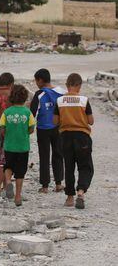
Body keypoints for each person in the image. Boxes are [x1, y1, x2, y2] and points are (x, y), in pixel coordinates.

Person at [53, 73, 94, 209]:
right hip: (82, 137)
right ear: (79, 86)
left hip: (65, 137)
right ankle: (81, 192)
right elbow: (91, 121)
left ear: (67, 85)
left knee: (69, 166)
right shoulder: (84, 100)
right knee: (85, 166)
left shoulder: (60, 101)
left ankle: (69, 198)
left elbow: (55, 121)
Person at [0, 85, 36, 206]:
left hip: (9, 146)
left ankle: (8, 181)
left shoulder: (7, 112)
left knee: (8, 166)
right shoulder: (27, 112)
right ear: (25, 98)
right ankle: (18, 197)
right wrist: (25, 132)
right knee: (20, 172)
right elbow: (31, 128)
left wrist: (8, 135)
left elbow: (2, 128)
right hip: (23, 147)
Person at [30, 69, 65, 194]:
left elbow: (32, 113)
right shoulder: (61, 92)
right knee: (58, 154)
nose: (36, 83)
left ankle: (45, 186)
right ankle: (59, 183)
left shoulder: (39, 94)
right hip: (58, 128)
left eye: (36, 81)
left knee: (44, 156)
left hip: (43, 129)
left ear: (40, 80)